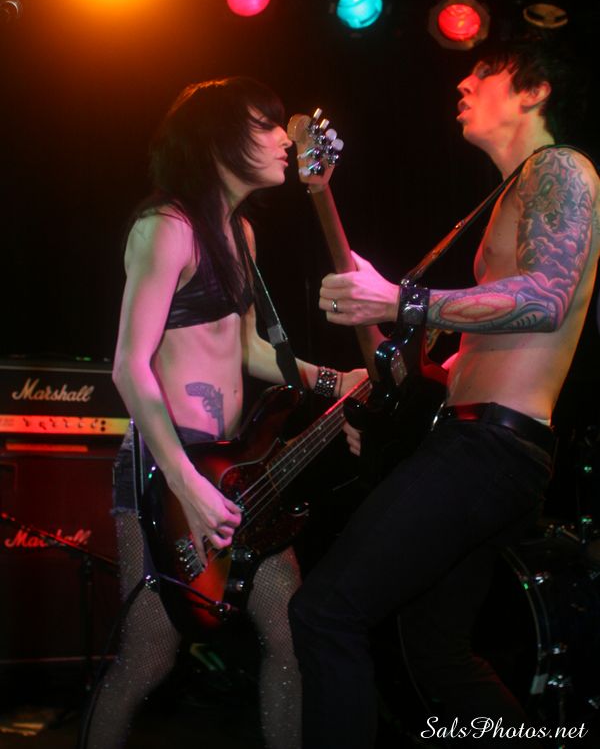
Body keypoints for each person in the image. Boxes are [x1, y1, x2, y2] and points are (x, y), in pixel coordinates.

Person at [289, 39, 600, 747]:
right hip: (484, 443)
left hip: (488, 449)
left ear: (535, 91)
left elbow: (545, 299)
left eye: (484, 71)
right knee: (437, 653)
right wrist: (390, 388)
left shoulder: (560, 169)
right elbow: (465, 356)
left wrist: (400, 300)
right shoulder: (508, 195)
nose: (463, 81)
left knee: (324, 613)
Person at [80, 76, 364, 749]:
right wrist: (187, 484)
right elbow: (129, 364)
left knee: (290, 636)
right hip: (168, 472)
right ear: (217, 141)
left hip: (238, 473)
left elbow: (247, 348)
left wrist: (336, 380)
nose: (282, 139)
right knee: (148, 657)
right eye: (264, 125)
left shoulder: (240, 234)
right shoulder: (166, 228)